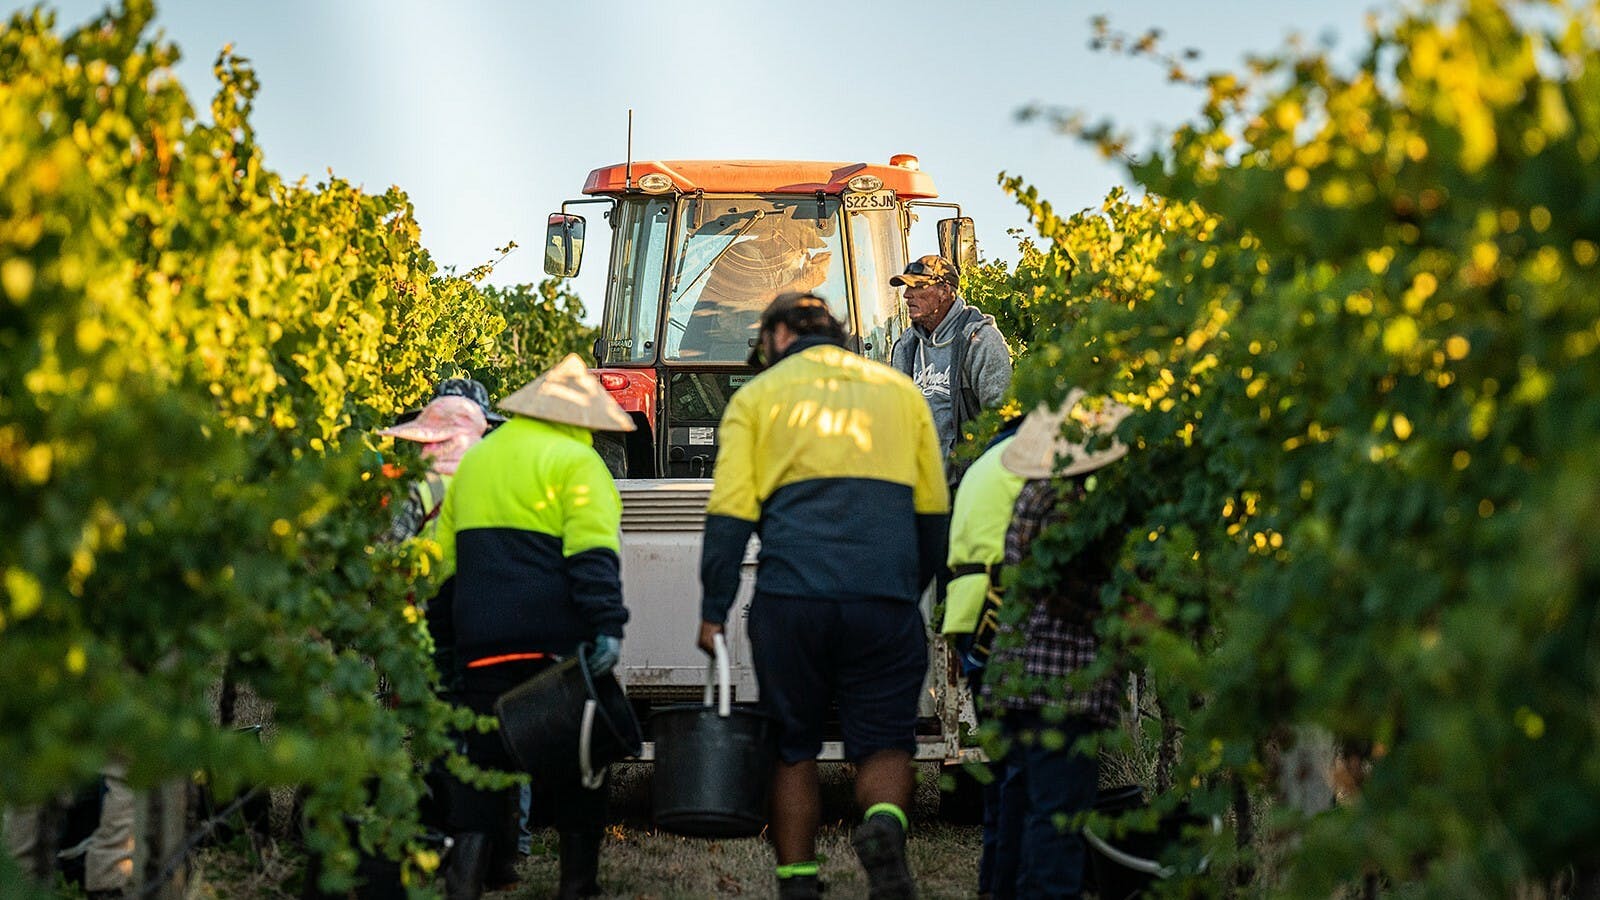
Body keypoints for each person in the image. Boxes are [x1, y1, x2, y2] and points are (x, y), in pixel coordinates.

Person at [696, 293, 949, 900]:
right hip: (882, 603)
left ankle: (798, 881)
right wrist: (904, 593)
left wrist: (713, 610)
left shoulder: (755, 400)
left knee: (793, 744)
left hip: (792, 604)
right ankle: (884, 829)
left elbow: (729, 518)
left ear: (780, 334)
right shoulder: (901, 393)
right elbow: (935, 518)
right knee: (886, 742)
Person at [434, 354, 635, 900]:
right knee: (579, 767)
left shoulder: (476, 462)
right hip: (554, 649)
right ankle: (577, 887)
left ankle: (464, 882)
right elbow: (593, 558)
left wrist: (447, 646)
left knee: (481, 764)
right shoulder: (577, 464)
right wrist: (608, 628)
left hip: (479, 644)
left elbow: (445, 567)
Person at [983, 392, 1133, 899]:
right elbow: (1068, 594)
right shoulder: (1071, 505)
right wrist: (1128, 610)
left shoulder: (1034, 492)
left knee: (1023, 812)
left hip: (1020, 678)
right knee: (1058, 823)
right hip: (1059, 685)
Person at [939, 420, 1026, 900]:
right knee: (1027, 765)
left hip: (967, 618)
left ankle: (996, 884)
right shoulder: (1039, 465)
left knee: (1003, 760)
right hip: (1004, 615)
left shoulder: (985, 463)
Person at [888, 255, 1012, 465]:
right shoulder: (906, 347)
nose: (907, 295)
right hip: (924, 487)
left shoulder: (979, 340)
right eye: (906, 288)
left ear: (945, 290)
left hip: (969, 484)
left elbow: (1001, 419)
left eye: (918, 287)